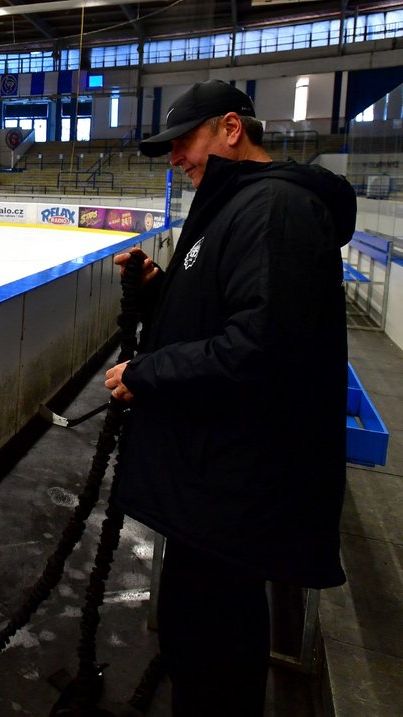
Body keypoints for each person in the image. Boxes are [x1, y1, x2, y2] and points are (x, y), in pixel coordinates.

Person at [104, 79, 355, 716]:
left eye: (182, 142)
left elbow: (260, 347)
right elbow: (226, 315)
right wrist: (162, 293)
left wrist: (149, 372)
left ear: (230, 129)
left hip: (238, 485)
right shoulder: (238, 203)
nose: (174, 158)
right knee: (196, 631)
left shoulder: (273, 209)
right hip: (214, 482)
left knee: (216, 643)